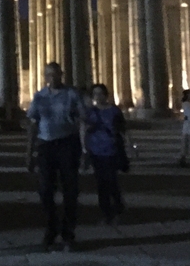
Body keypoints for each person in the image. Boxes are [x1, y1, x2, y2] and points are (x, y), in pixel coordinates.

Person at [26, 62, 84, 252]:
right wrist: (29, 153)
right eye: (49, 75)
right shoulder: (40, 96)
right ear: (45, 77)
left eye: (55, 74)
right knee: (45, 190)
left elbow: (82, 121)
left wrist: (85, 149)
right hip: (46, 145)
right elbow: (33, 124)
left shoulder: (72, 94)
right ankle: (51, 227)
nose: (52, 78)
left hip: (67, 144)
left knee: (70, 190)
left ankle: (68, 233)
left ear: (61, 75)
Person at [84, 83, 126, 225]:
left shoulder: (114, 111)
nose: (98, 97)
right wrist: (84, 148)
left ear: (106, 95)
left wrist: (131, 147)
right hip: (96, 150)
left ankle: (117, 206)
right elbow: (83, 128)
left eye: (100, 93)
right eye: (95, 94)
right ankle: (107, 212)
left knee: (111, 180)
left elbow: (123, 130)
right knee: (101, 183)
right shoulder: (90, 112)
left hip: (111, 149)